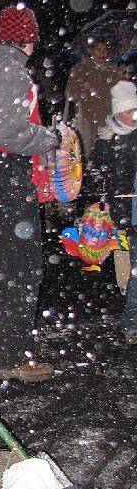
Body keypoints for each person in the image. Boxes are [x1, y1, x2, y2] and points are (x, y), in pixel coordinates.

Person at [0, 5, 58, 382]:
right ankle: (12, 356)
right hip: (10, 182)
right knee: (20, 271)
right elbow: (6, 132)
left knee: (1, 272)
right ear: (28, 38)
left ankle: (6, 350)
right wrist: (49, 138)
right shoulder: (12, 71)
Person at [90, 80, 137, 342]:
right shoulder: (110, 137)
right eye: (128, 111)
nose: (132, 116)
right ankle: (132, 323)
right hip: (127, 213)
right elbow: (101, 173)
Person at [64, 38, 124, 166]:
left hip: (107, 117)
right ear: (91, 51)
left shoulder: (114, 70)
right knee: (84, 155)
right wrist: (83, 89)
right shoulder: (79, 69)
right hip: (86, 117)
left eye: (104, 50)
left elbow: (121, 95)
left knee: (108, 156)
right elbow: (70, 95)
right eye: (98, 50)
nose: (102, 53)